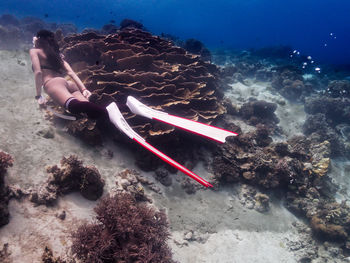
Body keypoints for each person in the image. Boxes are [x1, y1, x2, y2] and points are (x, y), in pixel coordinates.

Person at [30, 29, 108, 119]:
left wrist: (38, 96)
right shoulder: (56, 55)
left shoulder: (34, 51)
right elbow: (71, 73)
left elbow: (38, 73)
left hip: (52, 84)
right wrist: (83, 89)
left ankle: (108, 111)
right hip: (68, 84)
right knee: (89, 111)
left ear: (38, 40)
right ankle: (120, 107)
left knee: (74, 107)